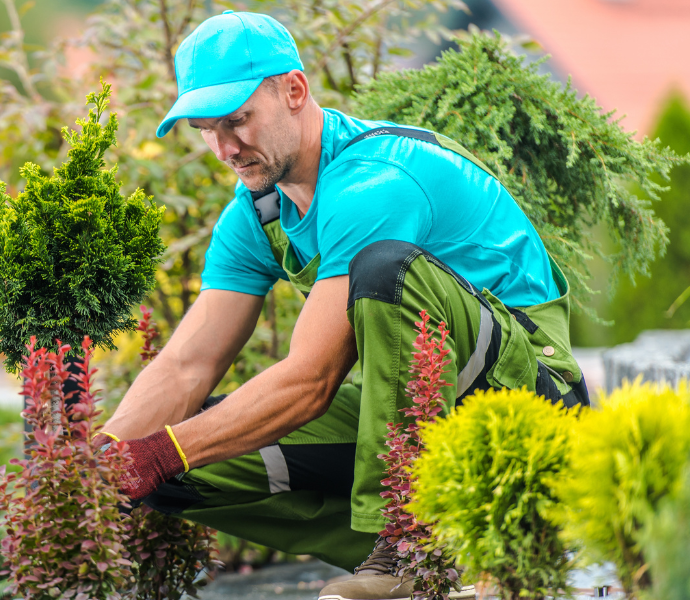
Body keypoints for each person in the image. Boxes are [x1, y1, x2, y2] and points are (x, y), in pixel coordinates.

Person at [95, 10, 589, 600]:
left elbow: (310, 380)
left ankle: (406, 553)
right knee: (175, 474)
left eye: (237, 120)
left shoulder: (374, 182)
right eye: (206, 129)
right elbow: (186, 366)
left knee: (383, 270)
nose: (225, 147)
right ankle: (455, 557)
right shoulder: (258, 212)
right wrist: (96, 468)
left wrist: (161, 450)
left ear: (295, 91)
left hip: (528, 403)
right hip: (419, 414)